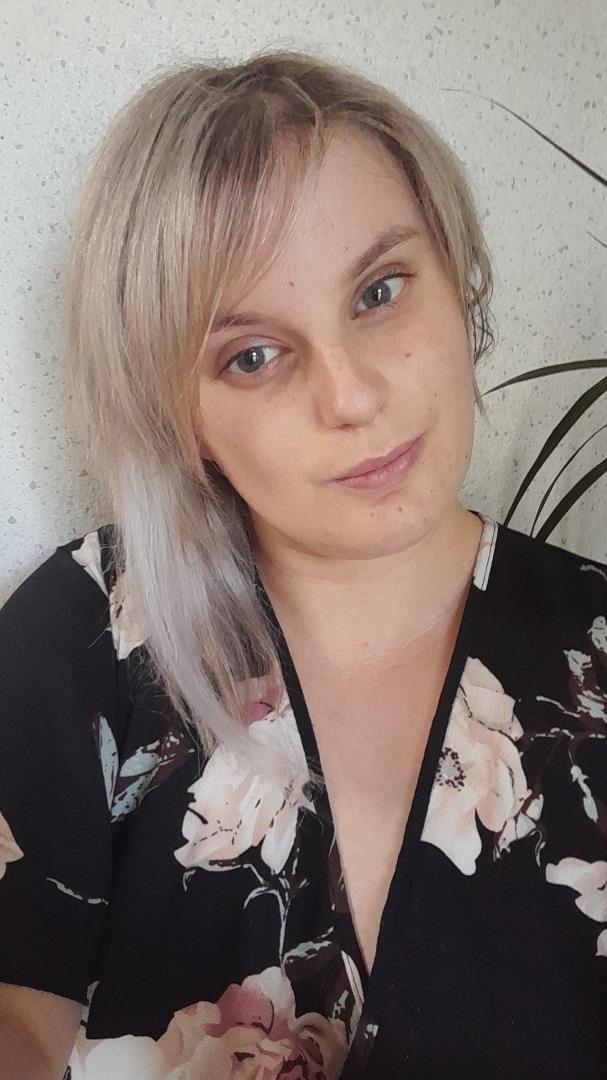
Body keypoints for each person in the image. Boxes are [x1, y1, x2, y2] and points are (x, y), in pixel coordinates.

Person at [0, 50, 605, 1080]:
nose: (353, 395)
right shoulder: (83, 637)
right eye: (252, 354)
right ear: (178, 415)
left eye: (378, 291)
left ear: (454, 274)